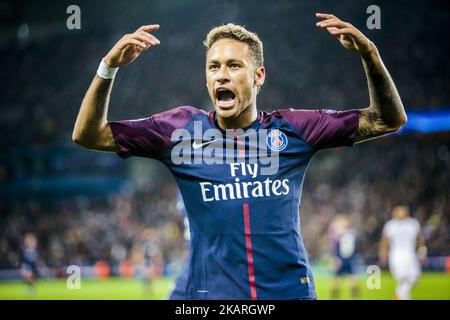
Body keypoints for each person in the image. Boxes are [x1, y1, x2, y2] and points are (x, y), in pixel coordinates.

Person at [73, 13, 407, 299]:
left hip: (288, 292)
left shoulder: (293, 128)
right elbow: (88, 135)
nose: (221, 74)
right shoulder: (178, 130)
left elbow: (387, 119)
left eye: (234, 66)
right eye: (213, 67)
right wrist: (108, 68)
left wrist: (370, 56)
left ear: (258, 76)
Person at [379, 206, 427, 300]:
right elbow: (384, 242)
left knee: (414, 279)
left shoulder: (413, 224)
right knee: (402, 279)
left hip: (411, 255)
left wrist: (422, 253)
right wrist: (383, 255)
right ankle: (403, 297)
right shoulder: (390, 225)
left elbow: (420, 240)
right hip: (396, 256)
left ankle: (399, 296)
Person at [328, 215, 360, 299]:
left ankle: (335, 294)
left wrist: (335, 258)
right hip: (350, 257)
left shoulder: (338, 235)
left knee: (336, 276)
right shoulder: (352, 234)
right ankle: (355, 294)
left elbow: (335, 247)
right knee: (352, 275)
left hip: (341, 258)